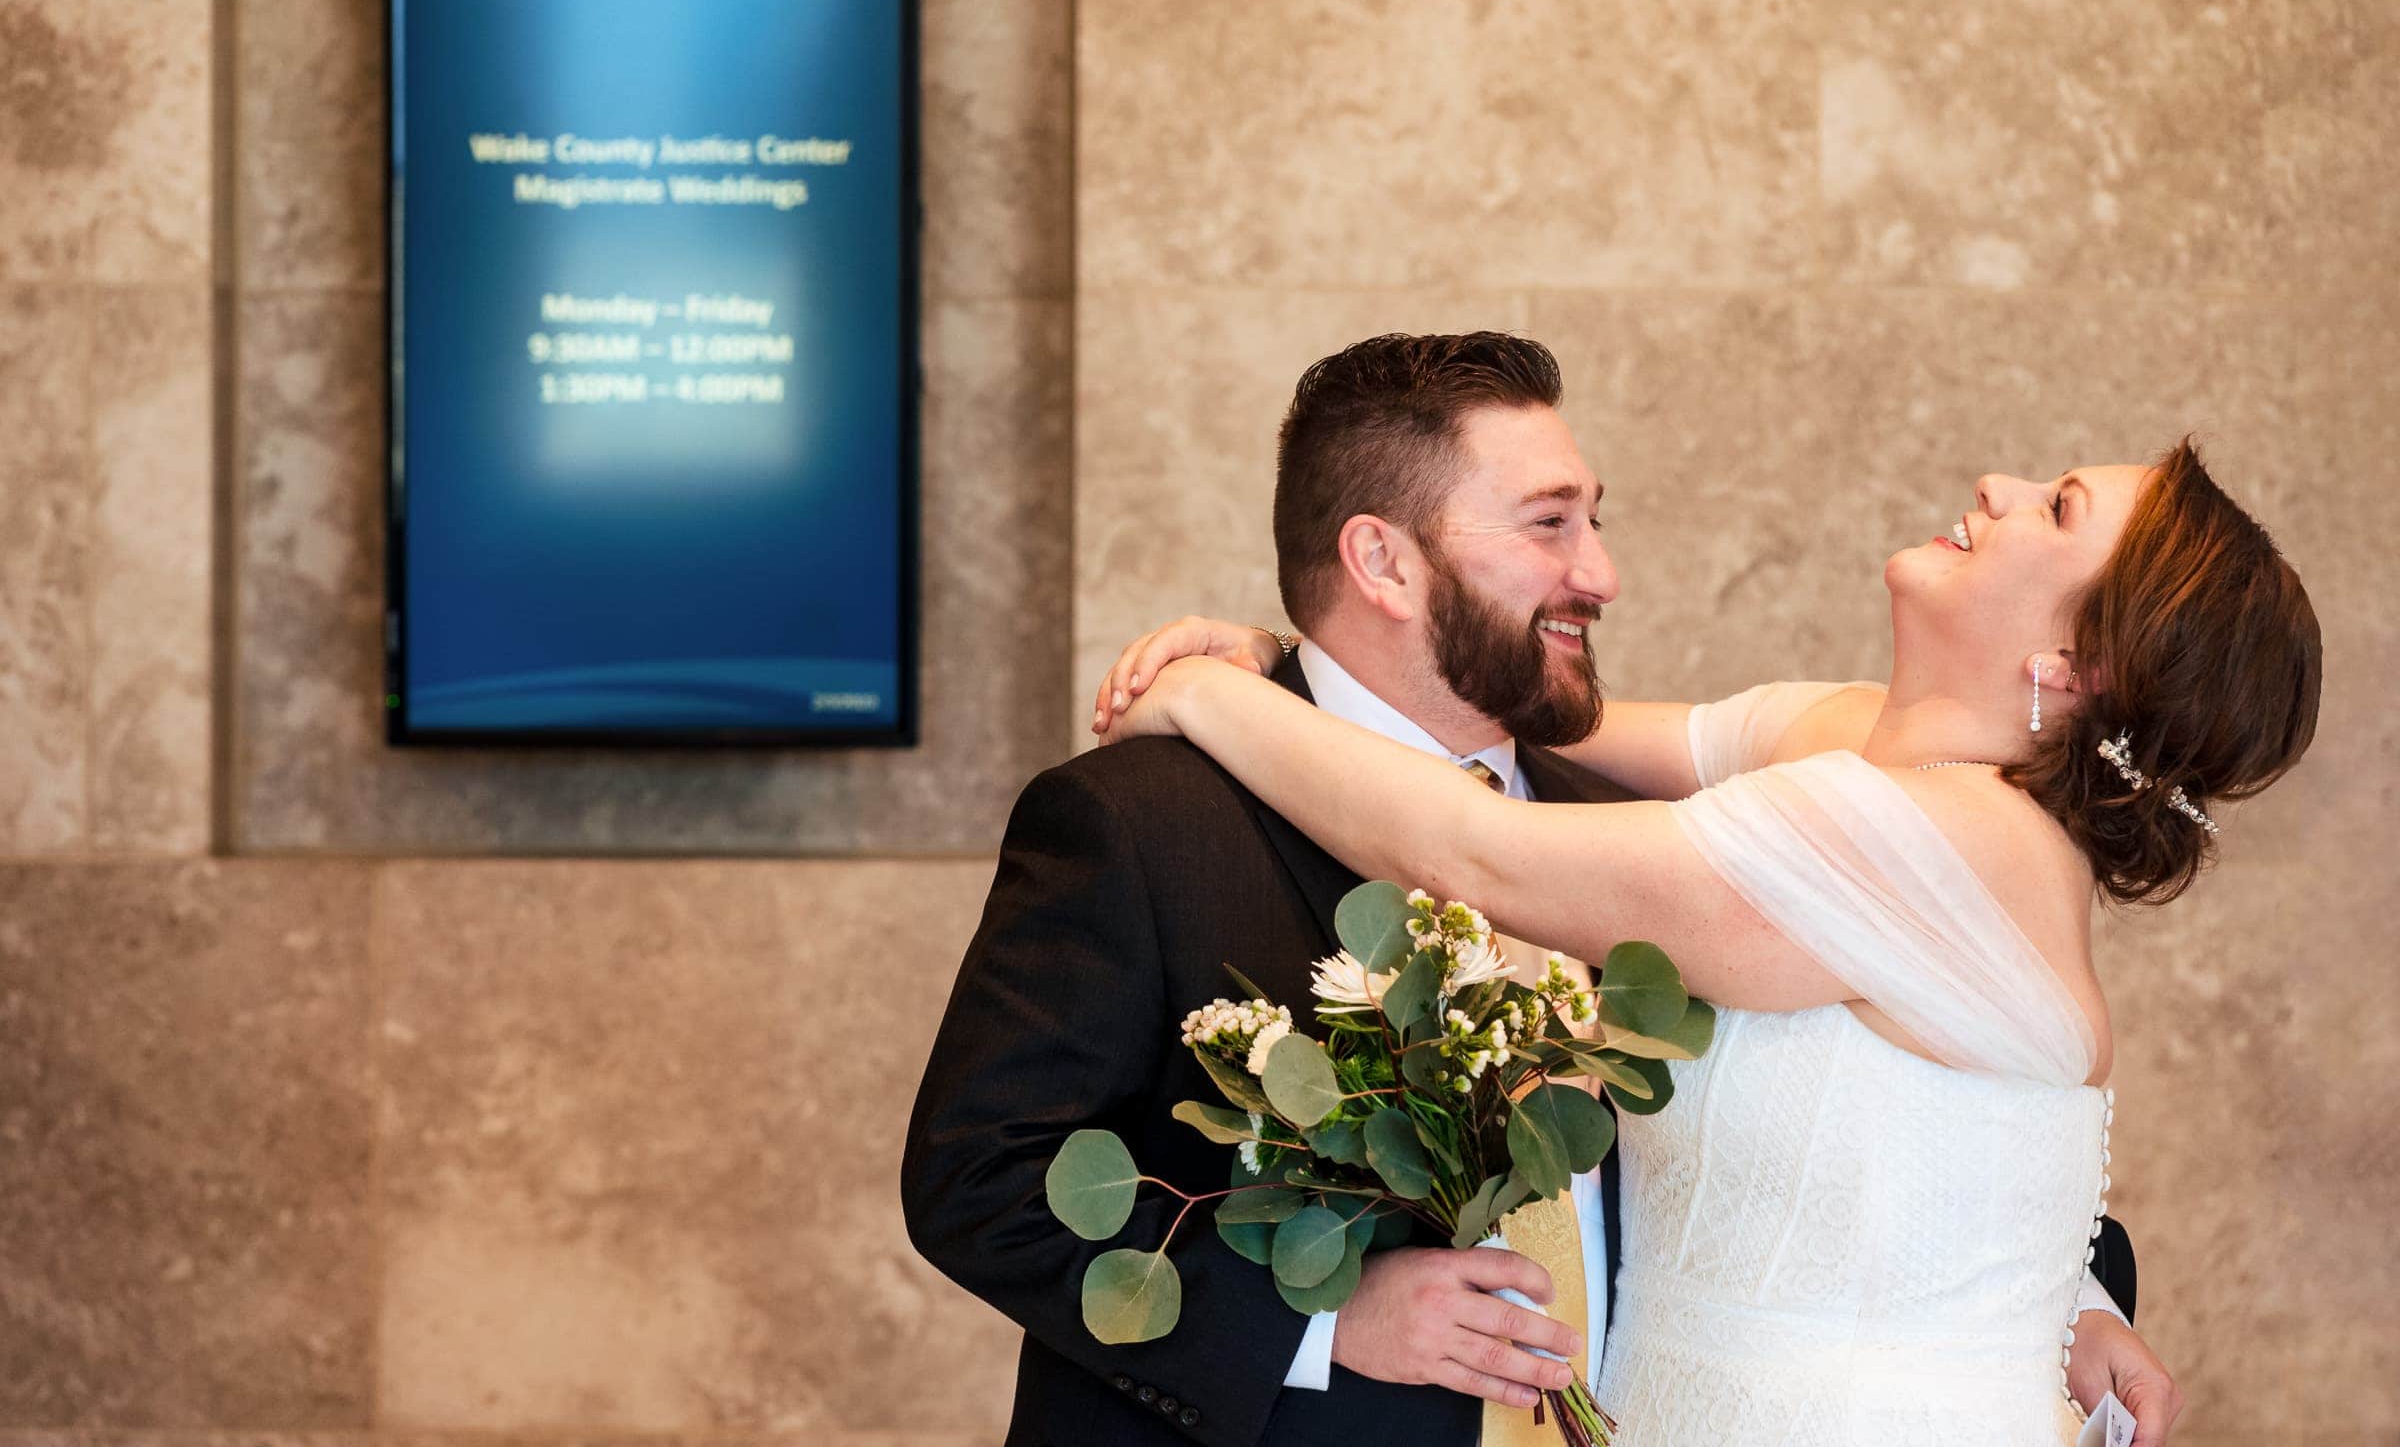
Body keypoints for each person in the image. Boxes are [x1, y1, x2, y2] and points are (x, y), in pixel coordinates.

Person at [903, 333, 2182, 1447]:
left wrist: (2071, 1299)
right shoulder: (1140, 822)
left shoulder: (1654, 840)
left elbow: (1887, 1136)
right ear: (1385, 564)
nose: (1604, 573)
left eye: (1596, 517)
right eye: (1550, 523)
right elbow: (978, 1182)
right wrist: (1322, 1317)